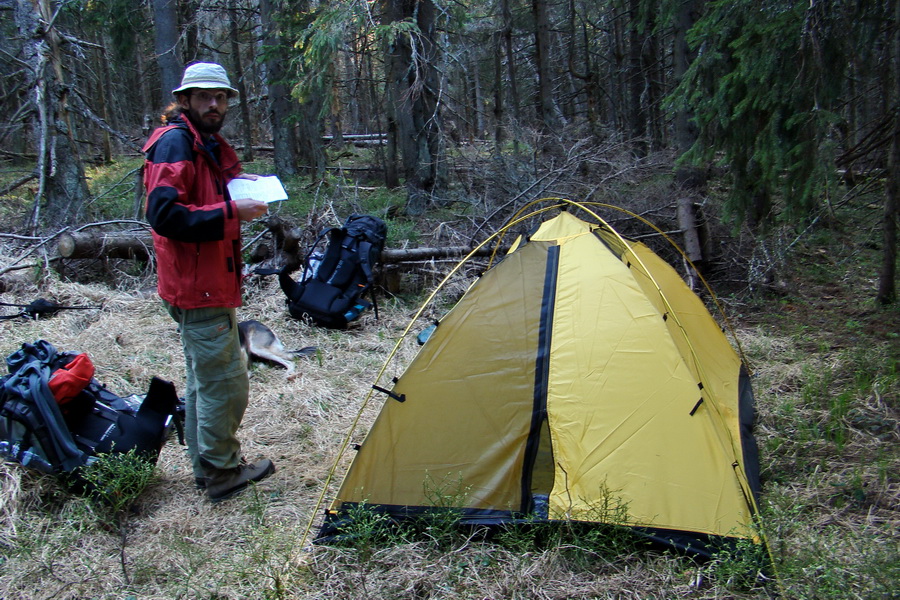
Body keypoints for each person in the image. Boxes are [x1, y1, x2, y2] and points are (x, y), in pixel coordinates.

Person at [142, 62, 274, 502]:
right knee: (224, 382)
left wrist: (237, 187)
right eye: (203, 97)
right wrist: (231, 212)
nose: (214, 104)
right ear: (184, 100)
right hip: (197, 285)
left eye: (220, 97)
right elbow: (164, 215)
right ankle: (220, 472)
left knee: (206, 379)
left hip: (203, 279)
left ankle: (209, 467)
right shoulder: (177, 142)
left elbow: (201, 193)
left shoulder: (203, 141)